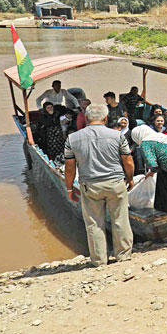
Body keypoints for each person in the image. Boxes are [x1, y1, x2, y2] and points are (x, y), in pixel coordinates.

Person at [64, 103, 135, 267]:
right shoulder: (117, 136)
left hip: (90, 186)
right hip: (116, 183)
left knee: (94, 223)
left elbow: (69, 167)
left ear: (87, 118)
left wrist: (69, 188)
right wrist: (130, 179)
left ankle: (99, 261)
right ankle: (123, 256)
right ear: (105, 118)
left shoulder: (72, 138)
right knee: (120, 219)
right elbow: (128, 160)